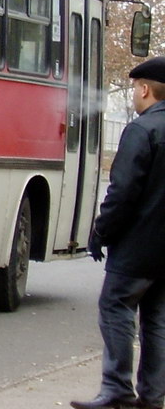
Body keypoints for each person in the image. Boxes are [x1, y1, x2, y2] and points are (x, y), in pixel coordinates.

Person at [71, 56, 165, 409]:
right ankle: (153, 396)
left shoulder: (142, 130)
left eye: (134, 90)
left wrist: (101, 232)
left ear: (144, 89)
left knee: (116, 307)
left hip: (137, 246)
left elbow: (122, 192)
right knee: (156, 319)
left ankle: (117, 390)